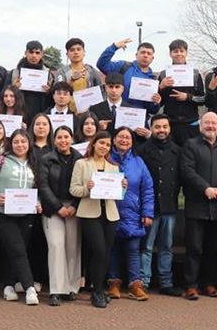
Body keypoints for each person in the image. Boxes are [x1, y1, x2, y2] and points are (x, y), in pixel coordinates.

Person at [180, 112, 217, 300]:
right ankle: (191, 285)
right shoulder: (191, 145)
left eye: (214, 123)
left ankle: (209, 283)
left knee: (212, 249)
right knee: (194, 249)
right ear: (200, 125)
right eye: (207, 123)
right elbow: (187, 171)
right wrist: (205, 188)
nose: (210, 126)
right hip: (197, 206)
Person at [0, 129, 44, 305]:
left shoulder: (34, 162)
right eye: (16, 142)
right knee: (17, 249)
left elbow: (37, 189)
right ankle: (30, 288)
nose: (20, 145)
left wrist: (37, 202)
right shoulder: (1, 160)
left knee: (16, 250)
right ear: (11, 143)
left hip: (25, 215)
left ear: (29, 143)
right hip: (2, 213)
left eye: (23, 142)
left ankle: (9, 286)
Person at [69, 131, 126, 308]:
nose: (104, 147)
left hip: (109, 214)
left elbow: (118, 196)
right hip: (89, 214)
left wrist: (123, 187)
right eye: (101, 143)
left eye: (108, 145)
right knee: (99, 250)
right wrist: (87, 188)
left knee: (105, 253)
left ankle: (98, 288)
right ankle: (97, 291)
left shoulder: (113, 167)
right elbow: (74, 190)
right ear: (93, 144)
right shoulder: (82, 164)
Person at [105, 127, 155, 301]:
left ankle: (135, 285)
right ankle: (114, 284)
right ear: (113, 139)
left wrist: (147, 212)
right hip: (111, 211)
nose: (124, 140)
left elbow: (147, 189)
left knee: (133, 250)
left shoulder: (138, 162)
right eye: (120, 137)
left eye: (128, 138)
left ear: (132, 142)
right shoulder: (106, 158)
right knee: (113, 249)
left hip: (133, 213)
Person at [135, 114, 182, 296]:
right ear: (151, 128)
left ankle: (166, 282)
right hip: (149, 207)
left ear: (169, 128)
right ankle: (144, 281)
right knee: (146, 247)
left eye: (164, 126)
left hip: (169, 205)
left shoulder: (177, 151)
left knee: (167, 246)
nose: (161, 130)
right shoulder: (142, 151)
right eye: (157, 127)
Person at [37, 126, 83, 306]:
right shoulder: (46, 159)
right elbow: (43, 186)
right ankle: (56, 289)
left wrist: (74, 206)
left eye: (66, 137)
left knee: (72, 247)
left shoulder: (80, 159)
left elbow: (85, 184)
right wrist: (58, 207)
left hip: (74, 208)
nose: (63, 140)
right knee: (56, 245)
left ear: (71, 138)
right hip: (53, 208)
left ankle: (71, 287)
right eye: (59, 137)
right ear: (54, 140)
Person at [156, 39, 206, 146]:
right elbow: (158, 102)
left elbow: (203, 99)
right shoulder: (163, 75)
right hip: (170, 124)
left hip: (191, 124)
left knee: (191, 157)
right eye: (175, 51)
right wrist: (161, 87)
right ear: (170, 54)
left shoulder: (195, 74)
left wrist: (187, 97)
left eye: (181, 51)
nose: (179, 54)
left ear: (186, 53)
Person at [96, 38, 162, 113]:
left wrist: (156, 103)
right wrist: (114, 47)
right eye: (143, 52)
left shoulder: (153, 80)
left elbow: (152, 110)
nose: (145, 55)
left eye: (148, 53)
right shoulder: (123, 66)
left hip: (139, 119)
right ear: (136, 55)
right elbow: (101, 65)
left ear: (152, 58)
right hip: (118, 116)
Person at [55, 38, 105, 111]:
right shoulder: (61, 72)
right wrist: (70, 81)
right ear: (67, 54)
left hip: (88, 115)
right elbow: (57, 91)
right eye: (72, 50)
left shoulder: (92, 71)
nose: (76, 52)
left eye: (78, 49)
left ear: (84, 52)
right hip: (68, 113)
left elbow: (101, 92)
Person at [10, 40, 55, 119]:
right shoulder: (14, 73)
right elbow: (4, 94)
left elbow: (53, 100)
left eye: (37, 53)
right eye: (31, 52)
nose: (34, 56)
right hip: (18, 114)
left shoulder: (48, 75)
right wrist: (13, 88)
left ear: (42, 54)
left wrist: (49, 91)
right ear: (25, 53)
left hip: (41, 115)